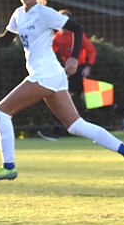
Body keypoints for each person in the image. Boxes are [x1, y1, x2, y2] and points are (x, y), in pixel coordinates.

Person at [0, 0, 124, 180]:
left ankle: (8, 166)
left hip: (46, 74)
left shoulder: (44, 13)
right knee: (75, 126)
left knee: (1, 112)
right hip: (50, 76)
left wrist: (73, 59)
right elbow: (7, 40)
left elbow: (77, 29)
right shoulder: (18, 14)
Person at [38, 9, 98, 141]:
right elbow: (49, 52)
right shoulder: (57, 37)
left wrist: (88, 66)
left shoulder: (77, 35)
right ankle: (118, 110)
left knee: (64, 98)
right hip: (69, 71)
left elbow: (91, 50)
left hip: (80, 69)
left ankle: (56, 130)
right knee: (84, 98)